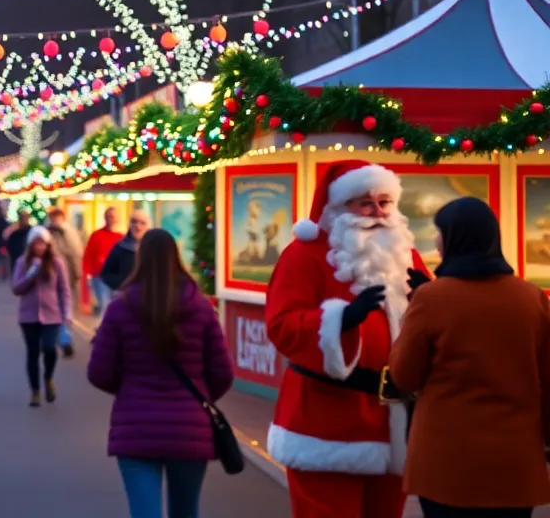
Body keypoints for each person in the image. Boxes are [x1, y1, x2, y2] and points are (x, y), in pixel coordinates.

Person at [265, 160, 432, 518]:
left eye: (385, 203)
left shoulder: (406, 255)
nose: (377, 212)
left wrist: (432, 300)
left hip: (393, 419)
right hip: (326, 419)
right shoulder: (303, 255)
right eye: (364, 203)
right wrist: (340, 319)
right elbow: (281, 326)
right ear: (338, 208)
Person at [389, 196, 550, 517]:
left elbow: (403, 376)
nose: (435, 241)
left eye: (440, 232)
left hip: (446, 463)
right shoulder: (532, 298)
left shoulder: (431, 298)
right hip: (514, 462)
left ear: (454, 238)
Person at [87, 228, 234, 518]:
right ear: (175, 258)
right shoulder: (202, 309)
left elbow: (98, 371)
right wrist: (199, 396)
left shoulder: (120, 309)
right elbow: (223, 373)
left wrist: (129, 389)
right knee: (186, 511)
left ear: (141, 260)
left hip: (135, 428)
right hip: (189, 428)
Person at [12, 226, 71, 407]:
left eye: (42, 243)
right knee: (32, 353)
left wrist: (66, 312)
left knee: (49, 349)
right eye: (36, 243)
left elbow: (64, 290)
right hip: (28, 317)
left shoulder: (56, 263)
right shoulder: (23, 262)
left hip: (52, 315)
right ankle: (35, 391)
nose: (39, 247)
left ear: (48, 245)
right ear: (30, 244)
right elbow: (16, 288)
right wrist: (31, 273)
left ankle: (48, 378)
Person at [47, 207, 84, 357]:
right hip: (55, 278)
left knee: (64, 312)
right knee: (62, 312)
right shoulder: (49, 233)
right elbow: (76, 254)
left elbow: (75, 254)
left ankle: (64, 339)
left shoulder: (67, 232)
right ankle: (63, 339)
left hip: (64, 278)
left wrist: (77, 273)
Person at [100, 209, 149, 293]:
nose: (138, 226)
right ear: (129, 224)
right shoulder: (120, 247)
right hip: (125, 297)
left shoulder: (153, 248)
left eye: (142, 223)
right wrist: (121, 284)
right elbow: (106, 274)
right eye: (134, 222)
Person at [84, 207, 122, 314]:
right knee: (104, 307)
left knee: (116, 307)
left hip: (116, 279)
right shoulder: (96, 235)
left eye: (113, 217)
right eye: (108, 216)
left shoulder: (121, 237)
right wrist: (88, 273)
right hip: (100, 277)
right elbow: (88, 255)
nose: (111, 219)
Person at [4, 209, 33, 275]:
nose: (24, 220)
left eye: (25, 218)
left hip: (29, 259)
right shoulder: (14, 231)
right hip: (16, 259)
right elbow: (9, 244)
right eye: (23, 218)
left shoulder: (32, 231)